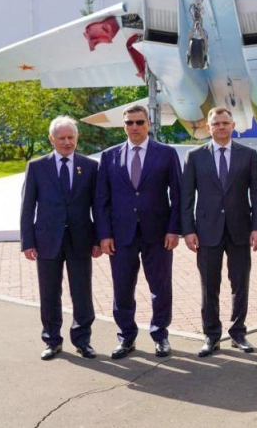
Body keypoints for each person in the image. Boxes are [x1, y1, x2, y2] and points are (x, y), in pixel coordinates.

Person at [96, 104, 181, 359]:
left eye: (139, 122)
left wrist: (173, 229)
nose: (134, 127)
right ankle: (126, 337)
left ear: (148, 124)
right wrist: (104, 234)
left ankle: (160, 335)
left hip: (158, 234)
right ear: (123, 125)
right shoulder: (109, 156)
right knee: (122, 288)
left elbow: (178, 195)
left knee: (160, 287)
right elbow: (101, 199)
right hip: (121, 235)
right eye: (129, 122)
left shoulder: (166, 154)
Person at [181, 107, 257, 357]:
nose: (221, 127)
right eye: (216, 123)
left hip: (240, 229)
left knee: (240, 284)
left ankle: (238, 332)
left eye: (225, 123)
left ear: (233, 126)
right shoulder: (195, 156)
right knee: (209, 285)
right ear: (208, 127)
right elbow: (187, 196)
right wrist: (188, 230)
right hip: (207, 231)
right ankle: (211, 335)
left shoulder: (248, 155)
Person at [20, 116, 101, 360]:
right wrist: (27, 241)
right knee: (49, 293)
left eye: (71, 137)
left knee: (82, 292)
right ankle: (52, 340)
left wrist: (98, 239)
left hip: (80, 239)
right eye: (62, 138)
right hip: (47, 239)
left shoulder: (90, 167)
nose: (67, 142)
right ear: (51, 139)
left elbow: (98, 206)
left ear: (77, 137)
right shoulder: (37, 167)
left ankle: (82, 340)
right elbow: (27, 206)